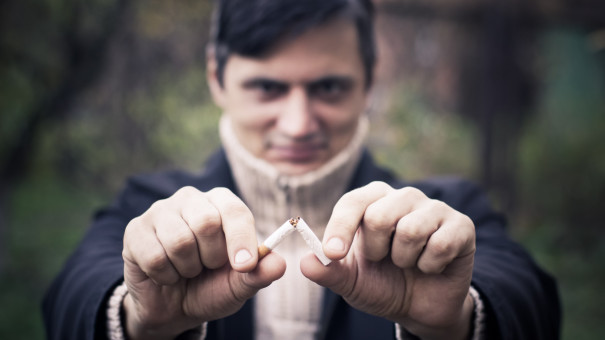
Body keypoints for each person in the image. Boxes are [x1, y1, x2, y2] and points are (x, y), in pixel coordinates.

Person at [42, 0, 560, 339]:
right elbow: (70, 298)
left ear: (369, 80)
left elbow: (529, 302)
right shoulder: (148, 208)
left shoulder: (444, 219)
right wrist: (135, 317)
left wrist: (459, 319)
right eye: (267, 88)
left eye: (328, 88)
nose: (297, 123)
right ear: (217, 79)